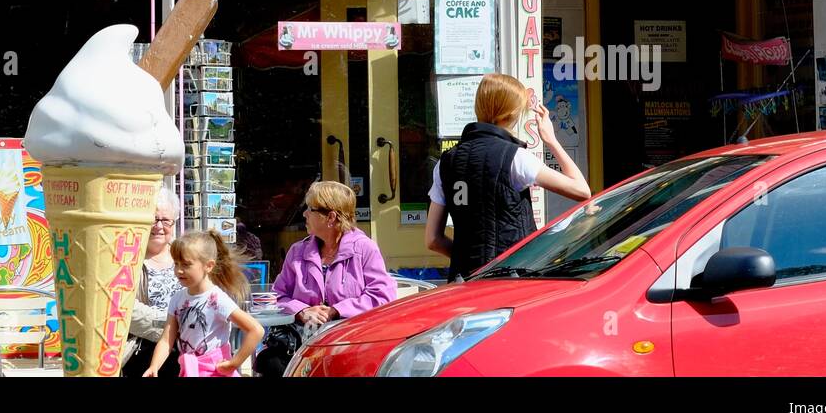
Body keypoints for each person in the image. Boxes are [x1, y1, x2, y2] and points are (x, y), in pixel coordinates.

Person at [425, 72, 590, 281]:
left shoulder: (445, 162)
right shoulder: (515, 158)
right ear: (511, 114)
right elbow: (581, 190)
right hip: (510, 282)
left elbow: (433, 239)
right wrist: (551, 140)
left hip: (463, 282)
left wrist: (469, 261)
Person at [257, 181, 397, 377]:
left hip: (352, 344)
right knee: (269, 362)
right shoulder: (298, 251)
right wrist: (302, 311)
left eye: (309, 209)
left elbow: (382, 297)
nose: (304, 214)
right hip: (302, 346)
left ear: (330, 217)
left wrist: (335, 311)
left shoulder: (364, 249)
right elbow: (278, 296)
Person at [145, 230, 262, 378]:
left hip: (215, 371)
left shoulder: (217, 299)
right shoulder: (177, 298)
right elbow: (167, 339)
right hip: (190, 370)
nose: (179, 270)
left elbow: (256, 330)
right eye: (176, 263)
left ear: (209, 266)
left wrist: (235, 362)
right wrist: (154, 366)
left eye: (186, 264)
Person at [121, 186, 183, 377]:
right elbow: (124, 309)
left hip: (186, 347)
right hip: (142, 348)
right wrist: (172, 326)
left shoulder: (186, 256)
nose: (158, 226)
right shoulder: (127, 260)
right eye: (153, 219)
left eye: (165, 220)